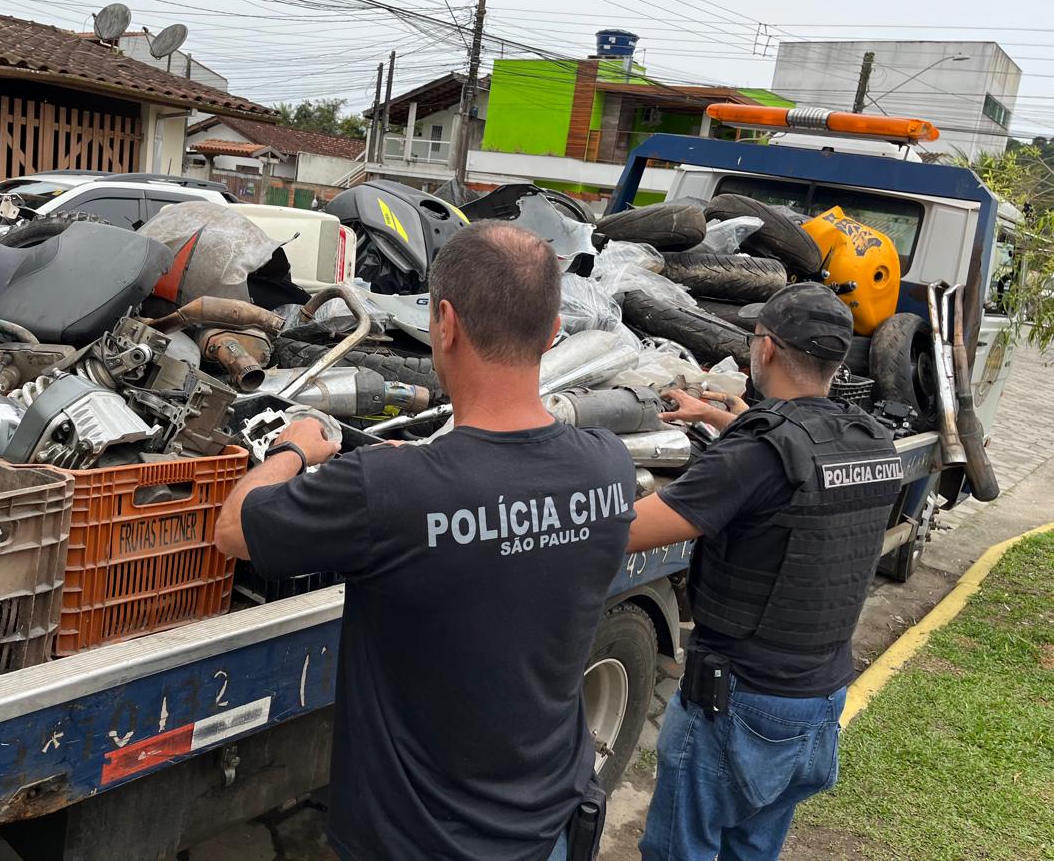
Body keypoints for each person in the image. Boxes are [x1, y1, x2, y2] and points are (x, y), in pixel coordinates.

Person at [215, 221, 635, 861]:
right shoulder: (609, 466)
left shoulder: (389, 489)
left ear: (445, 322)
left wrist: (293, 449)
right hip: (550, 825)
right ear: (554, 332)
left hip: (421, 844)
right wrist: (403, 476)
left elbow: (234, 531)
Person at [629, 283, 903, 861]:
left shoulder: (756, 455)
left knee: (683, 851)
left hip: (739, 704)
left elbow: (627, 531)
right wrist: (717, 417)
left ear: (766, 349)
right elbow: (796, 458)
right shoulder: (873, 439)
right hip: (820, 699)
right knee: (752, 849)